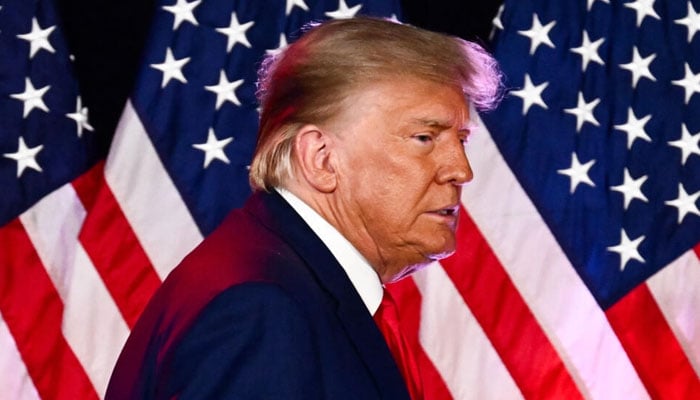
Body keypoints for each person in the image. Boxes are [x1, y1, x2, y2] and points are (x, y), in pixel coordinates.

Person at [105, 17, 502, 400]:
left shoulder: (289, 285)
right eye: (424, 137)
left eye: (461, 139)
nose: (461, 170)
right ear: (322, 158)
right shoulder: (261, 312)